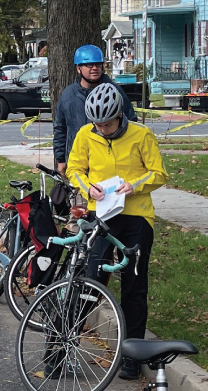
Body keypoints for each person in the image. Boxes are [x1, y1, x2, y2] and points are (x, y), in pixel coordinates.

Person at [66, 83, 168, 380]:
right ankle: (63, 347)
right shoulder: (87, 135)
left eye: (108, 124)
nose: (103, 130)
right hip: (101, 213)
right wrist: (88, 187)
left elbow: (159, 172)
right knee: (88, 279)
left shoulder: (141, 135)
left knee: (134, 286)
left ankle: (132, 358)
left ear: (120, 115)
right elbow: (74, 169)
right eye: (97, 125)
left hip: (136, 215)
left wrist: (134, 185)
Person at [53, 44, 137, 176]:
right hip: (78, 164)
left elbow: (131, 122)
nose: (94, 68)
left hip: (109, 165)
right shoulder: (68, 95)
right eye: (89, 65)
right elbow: (60, 128)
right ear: (78, 68)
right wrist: (61, 159)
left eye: (98, 65)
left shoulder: (114, 92)